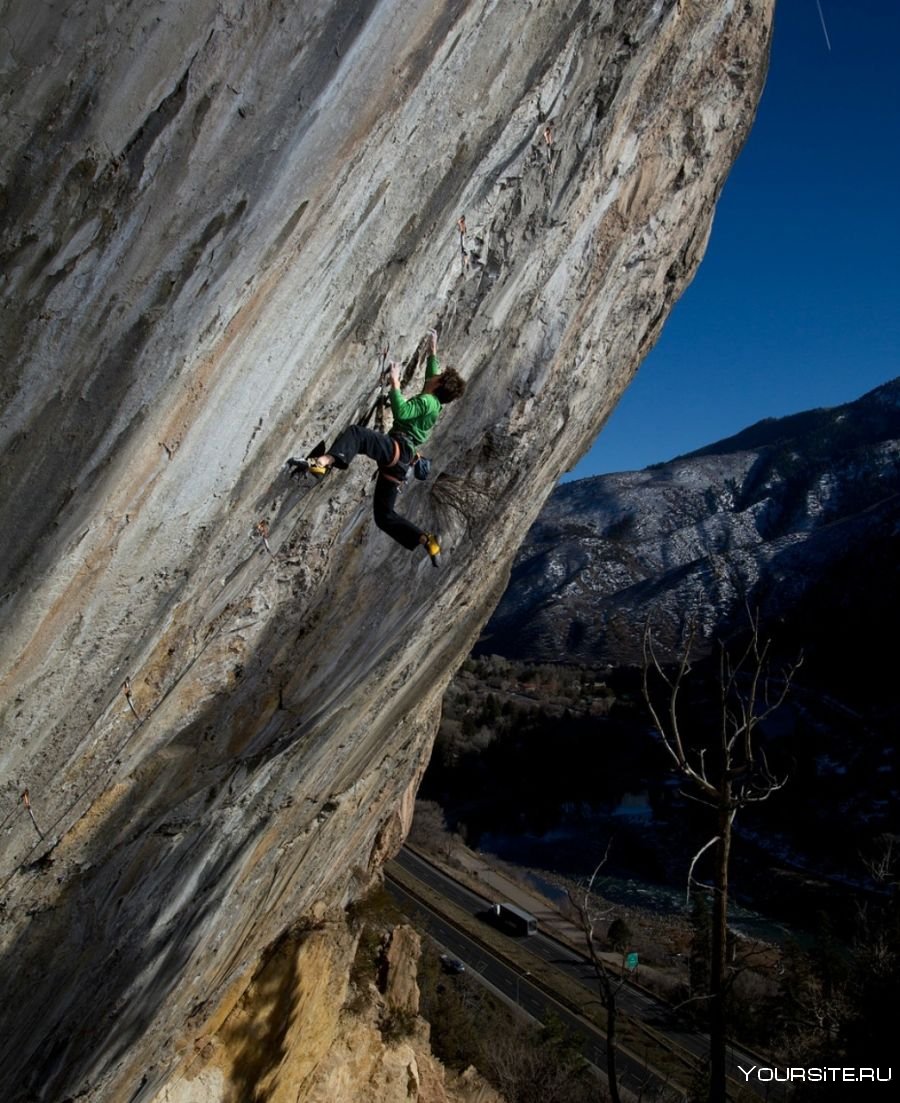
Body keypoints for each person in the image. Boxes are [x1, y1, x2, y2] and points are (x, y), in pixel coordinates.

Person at [288, 330, 466, 566]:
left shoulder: (426, 401)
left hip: (397, 449)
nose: (436, 373)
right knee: (384, 517)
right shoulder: (435, 401)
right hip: (400, 464)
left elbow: (402, 411)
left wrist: (395, 381)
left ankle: (321, 464)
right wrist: (433, 350)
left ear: (438, 384)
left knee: (357, 435)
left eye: (440, 375)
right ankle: (425, 540)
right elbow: (432, 374)